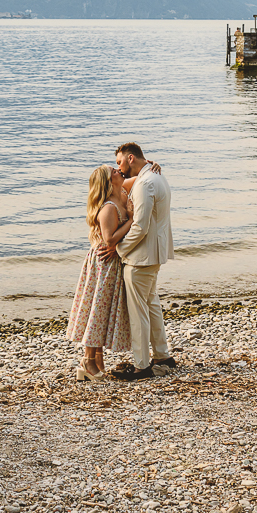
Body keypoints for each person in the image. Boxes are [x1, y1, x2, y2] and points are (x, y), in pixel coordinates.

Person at [111, 142, 175, 381]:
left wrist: (118, 249)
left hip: (141, 257)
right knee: (151, 305)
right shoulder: (157, 177)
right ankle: (162, 355)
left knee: (138, 313)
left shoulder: (145, 182)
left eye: (119, 162)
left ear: (130, 158)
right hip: (153, 254)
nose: (119, 167)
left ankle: (142, 365)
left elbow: (140, 226)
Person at [66, 165, 133, 380]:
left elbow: (140, 177)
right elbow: (109, 240)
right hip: (104, 264)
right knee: (98, 310)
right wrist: (132, 220)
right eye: (114, 171)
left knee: (102, 310)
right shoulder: (108, 208)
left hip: (113, 262)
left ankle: (97, 359)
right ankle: (86, 361)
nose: (118, 171)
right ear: (108, 181)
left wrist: (149, 164)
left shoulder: (122, 191)